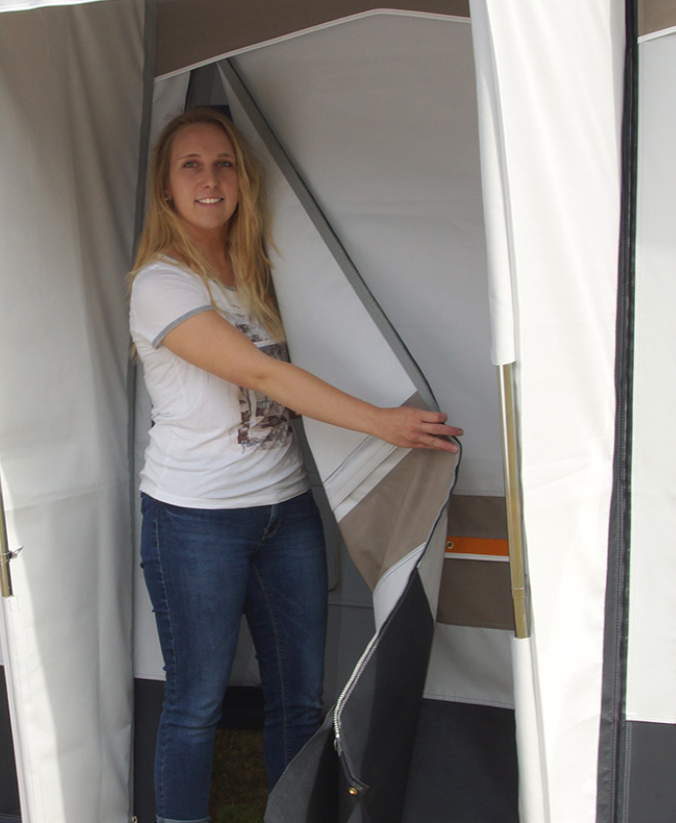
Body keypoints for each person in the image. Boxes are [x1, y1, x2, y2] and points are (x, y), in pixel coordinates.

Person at [129, 107, 461, 823]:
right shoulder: (161, 284)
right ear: (166, 189)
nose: (211, 179)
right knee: (195, 705)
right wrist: (383, 422)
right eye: (191, 165)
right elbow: (265, 375)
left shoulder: (263, 273)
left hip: (286, 513)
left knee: (301, 701)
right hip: (194, 520)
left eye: (224, 164)